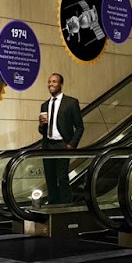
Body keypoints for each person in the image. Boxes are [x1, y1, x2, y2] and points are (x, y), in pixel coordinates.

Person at [38, 73, 83, 205]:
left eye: (54, 82)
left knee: (62, 177)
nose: (50, 84)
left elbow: (80, 127)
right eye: (49, 82)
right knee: (50, 177)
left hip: (63, 145)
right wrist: (41, 125)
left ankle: (66, 204)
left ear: (61, 84)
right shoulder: (44, 105)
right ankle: (53, 203)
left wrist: (71, 145)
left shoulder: (71, 103)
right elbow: (42, 131)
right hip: (48, 145)